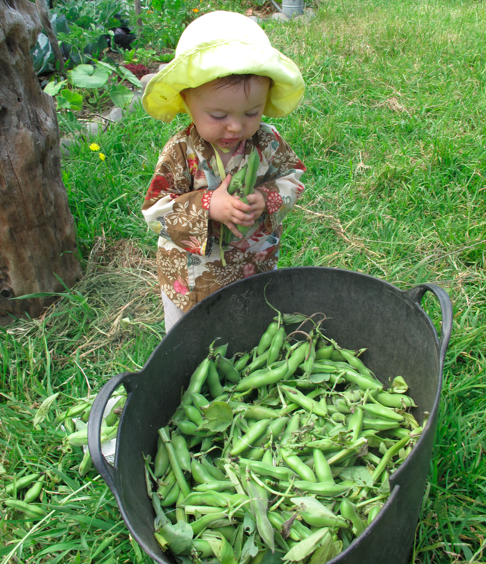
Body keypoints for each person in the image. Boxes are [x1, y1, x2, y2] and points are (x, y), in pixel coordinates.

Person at [141, 10, 306, 332]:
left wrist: (267, 197)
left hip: (253, 262)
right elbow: (155, 210)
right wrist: (208, 205)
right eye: (218, 115)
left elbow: (292, 177)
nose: (235, 126)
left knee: (250, 321)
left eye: (252, 112)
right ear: (187, 102)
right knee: (190, 332)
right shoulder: (181, 151)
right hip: (193, 275)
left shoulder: (267, 141)